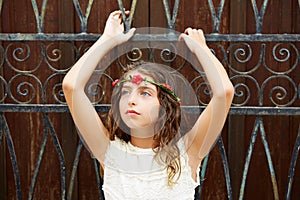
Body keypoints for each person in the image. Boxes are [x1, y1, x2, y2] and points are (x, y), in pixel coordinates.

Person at [63, 10, 234, 200]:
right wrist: (108, 39)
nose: (131, 100)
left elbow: (224, 93)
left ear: (164, 107)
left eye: (145, 93)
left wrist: (200, 48)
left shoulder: (188, 153)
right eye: (126, 91)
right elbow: (72, 86)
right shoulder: (109, 152)